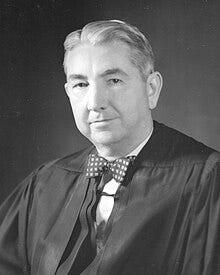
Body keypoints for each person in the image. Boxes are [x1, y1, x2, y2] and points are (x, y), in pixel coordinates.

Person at [0, 19, 219, 275]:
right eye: (81, 84)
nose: (95, 103)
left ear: (151, 89)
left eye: (113, 80)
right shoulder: (44, 184)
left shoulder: (207, 181)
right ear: (68, 92)